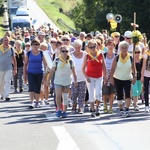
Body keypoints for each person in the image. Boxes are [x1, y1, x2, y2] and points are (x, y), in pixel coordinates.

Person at [47, 45, 77, 118]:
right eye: (63, 51)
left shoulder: (70, 61)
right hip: (58, 81)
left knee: (65, 97)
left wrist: (75, 81)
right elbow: (52, 71)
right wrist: (48, 80)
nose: (65, 53)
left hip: (67, 81)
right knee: (58, 96)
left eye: (66, 51)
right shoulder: (57, 60)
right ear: (60, 52)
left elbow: (74, 72)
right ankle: (59, 110)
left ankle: (64, 111)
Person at [110, 41, 136, 117]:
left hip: (128, 78)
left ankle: (127, 110)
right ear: (120, 49)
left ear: (128, 48)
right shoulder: (117, 58)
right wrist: (111, 78)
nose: (124, 49)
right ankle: (121, 110)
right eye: (122, 48)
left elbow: (134, 69)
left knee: (128, 94)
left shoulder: (131, 58)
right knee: (119, 94)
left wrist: (135, 77)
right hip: (118, 78)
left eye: (125, 48)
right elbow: (112, 69)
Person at [82, 39, 107, 117]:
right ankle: (92, 109)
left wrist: (105, 76)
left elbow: (104, 66)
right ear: (88, 48)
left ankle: (97, 107)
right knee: (91, 93)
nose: (93, 48)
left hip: (99, 76)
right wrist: (86, 77)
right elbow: (83, 68)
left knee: (98, 93)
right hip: (90, 76)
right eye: (91, 47)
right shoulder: (87, 56)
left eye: (94, 46)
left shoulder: (101, 54)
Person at [23, 39, 46, 109]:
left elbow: (45, 64)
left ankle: (37, 102)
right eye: (33, 44)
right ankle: (31, 102)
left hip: (39, 72)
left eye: (37, 44)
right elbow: (26, 64)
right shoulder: (29, 53)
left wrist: (45, 74)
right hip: (31, 72)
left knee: (38, 87)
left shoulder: (42, 53)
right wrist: (25, 74)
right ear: (31, 45)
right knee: (31, 87)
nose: (35, 46)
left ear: (39, 45)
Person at [71, 39, 87, 114]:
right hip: (73, 77)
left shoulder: (85, 54)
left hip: (83, 77)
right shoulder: (70, 54)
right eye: (76, 47)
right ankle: (74, 105)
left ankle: (80, 107)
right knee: (74, 93)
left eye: (79, 47)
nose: (77, 49)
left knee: (82, 93)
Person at [0, 36, 17, 101]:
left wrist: (15, 68)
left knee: (8, 81)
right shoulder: (0, 48)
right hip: (0, 68)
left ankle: (7, 95)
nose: (6, 42)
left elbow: (14, 59)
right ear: (2, 41)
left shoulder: (11, 49)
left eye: (7, 40)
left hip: (8, 67)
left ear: (9, 41)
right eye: (4, 40)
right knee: (0, 82)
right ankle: (2, 94)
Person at [102, 39, 116, 114]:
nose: (110, 46)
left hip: (113, 75)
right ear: (106, 46)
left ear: (114, 46)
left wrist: (113, 76)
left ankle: (110, 107)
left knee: (112, 92)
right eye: (109, 45)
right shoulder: (104, 55)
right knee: (105, 92)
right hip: (105, 74)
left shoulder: (116, 56)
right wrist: (104, 75)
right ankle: (105, 105)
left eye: (112, 45)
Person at [132, 46, 143, 111]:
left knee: (139, 91)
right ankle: (136, 104)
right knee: (135, 90)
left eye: (139, 52)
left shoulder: (142, 60)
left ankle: (134, 100)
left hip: (140, 77)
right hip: (134, 77)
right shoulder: (132, 59)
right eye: (136, 52)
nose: (137, 54)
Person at [141, 40, 150, 113]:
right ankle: (146, 105)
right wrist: (142, 76)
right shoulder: (146, 54)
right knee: (146, 90)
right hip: (146, 74)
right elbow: (143, 66)